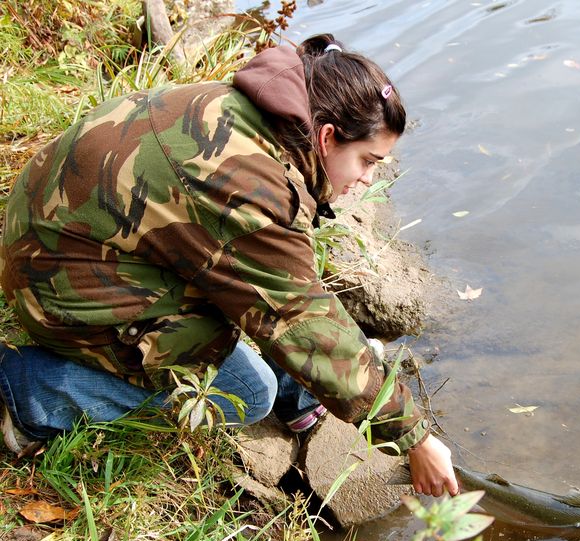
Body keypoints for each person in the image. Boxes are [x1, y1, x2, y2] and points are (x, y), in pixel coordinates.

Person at [0, 34, 458, 497]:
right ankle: (29, 391)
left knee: (265, 308)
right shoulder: (247, 184)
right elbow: (299, 315)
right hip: (57, 289)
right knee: (247, 393)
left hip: (53, 236)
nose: (368, 178)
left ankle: (296, 396)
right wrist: (413, 437)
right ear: (326, 136)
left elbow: (270, 276)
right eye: (367, 160)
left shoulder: (249, 113)